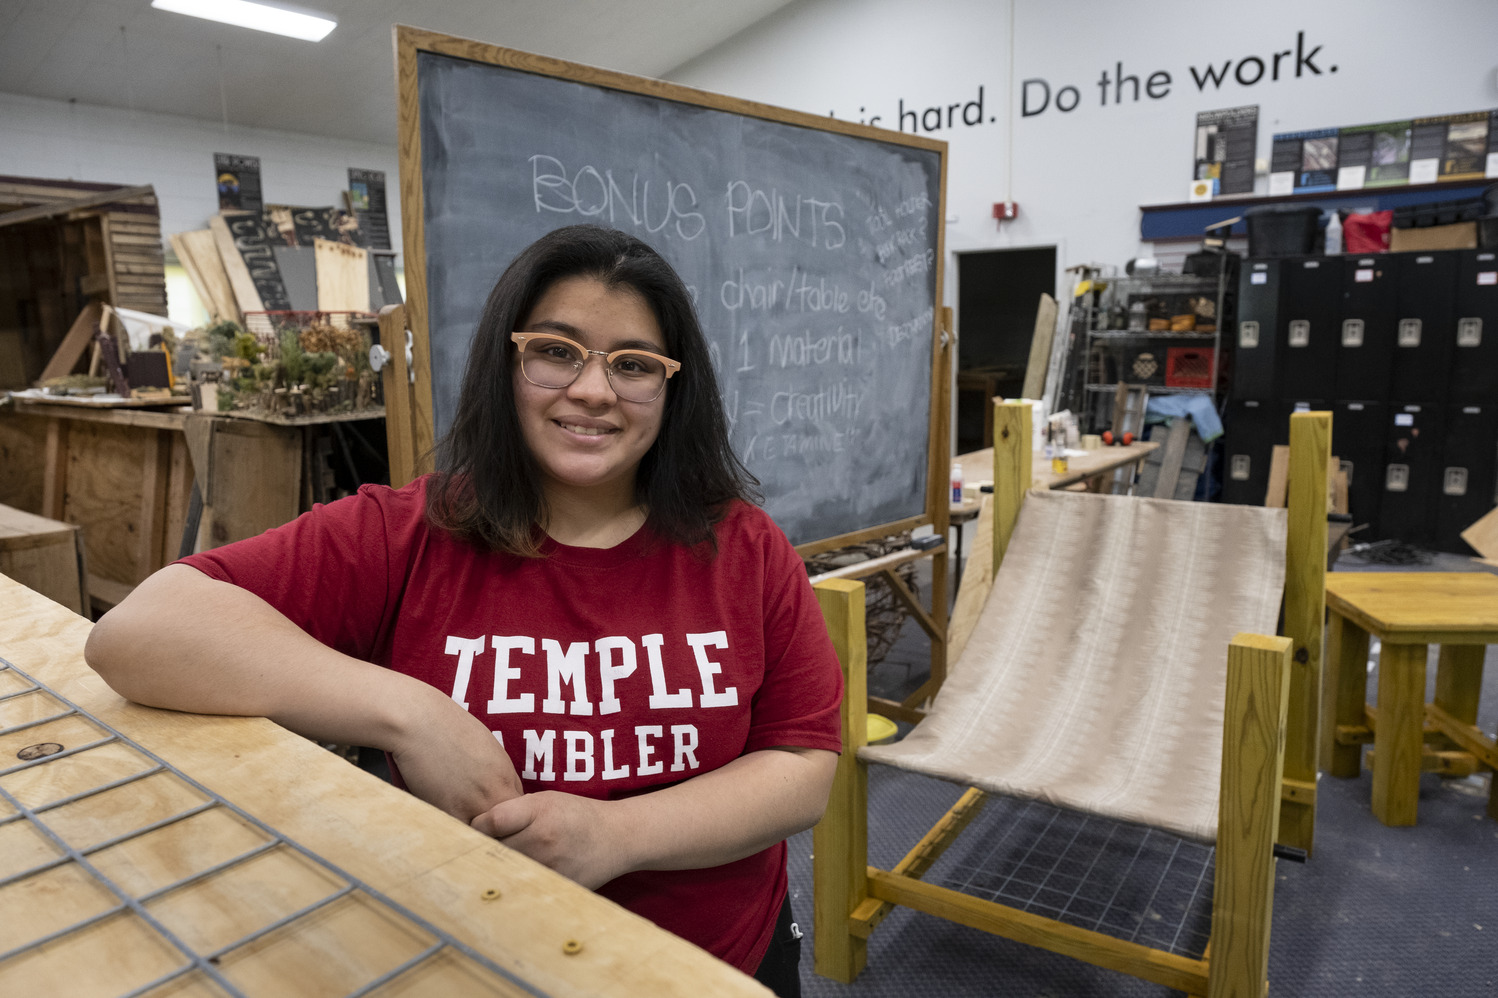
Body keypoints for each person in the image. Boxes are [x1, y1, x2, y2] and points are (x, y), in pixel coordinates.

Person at [85, 224, 844, 994]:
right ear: (505, 364)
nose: (593, 389)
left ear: (672, 387)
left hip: (713, 969)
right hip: (466, 960)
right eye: (555, 350)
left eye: (634, 364)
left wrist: (620, 835)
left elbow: (802, 767)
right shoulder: (407, 532)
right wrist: (410, 712)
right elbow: (140, 631)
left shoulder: (746, 549)